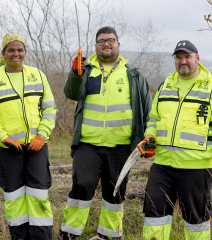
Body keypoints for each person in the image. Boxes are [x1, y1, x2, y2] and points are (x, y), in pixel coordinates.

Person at [59, 26, 152, 240]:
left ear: (118, 44)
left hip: (121, 146)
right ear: (95, 46)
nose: (106, 44)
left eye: (111, 40)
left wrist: (149, 136)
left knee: (115, 191)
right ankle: (70, 234)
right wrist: (75, 74)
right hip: (87, 144)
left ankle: (109, 235)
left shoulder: (133, 74)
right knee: (82, 185)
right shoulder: (86, 69)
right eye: (101, 41)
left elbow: (149, 110)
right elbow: (71, 93)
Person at [142, 40, 212, 240]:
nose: (183, 61)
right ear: (174, 59)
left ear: (197, 59)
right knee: (154, 216)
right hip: (162, 165)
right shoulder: (165, 85)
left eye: (187, 56)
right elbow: (154, 119)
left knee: (196, 223)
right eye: (179, 57)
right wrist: (150, 136)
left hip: (196, 168)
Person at [0, 33, 57, 240]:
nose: (16, 54)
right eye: (11, 50)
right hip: (7, 149)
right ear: (3, 53)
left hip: (36, 147)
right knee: (14, 197)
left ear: (25, 52)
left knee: (39, 196)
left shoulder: (38, 75)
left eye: (20, 50)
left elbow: (49, 109)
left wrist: (42, 135)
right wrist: (5, 138)